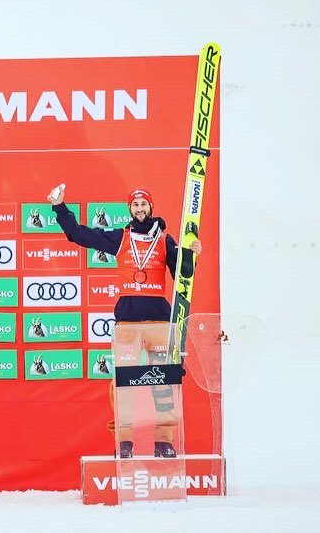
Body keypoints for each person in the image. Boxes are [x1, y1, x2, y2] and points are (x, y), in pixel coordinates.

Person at [47, 185, 202, 458]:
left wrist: (191, 253)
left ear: (151, 207)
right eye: (135, 205)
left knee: (165, 384)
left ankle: (164, 441)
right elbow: (79, 234)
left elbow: (183, 274)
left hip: (159, 321)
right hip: (128, 322)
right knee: (122, 384)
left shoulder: (166, 240)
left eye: (144, 204)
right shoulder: (121, 237)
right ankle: (124, 442)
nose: (140, 208)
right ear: (129, 209)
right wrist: (60, 207)